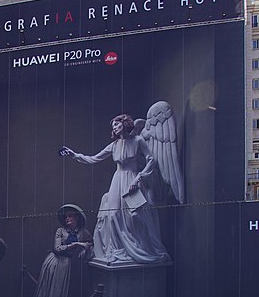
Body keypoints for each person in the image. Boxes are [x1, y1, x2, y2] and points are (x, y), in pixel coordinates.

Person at [60, 112, 176, 264]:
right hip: (118, 180)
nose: (114, 127)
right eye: (113, 126)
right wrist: (74, 155)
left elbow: (151, 160)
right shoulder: (114, 145)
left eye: (117, 124)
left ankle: (138, 247)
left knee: (134, 216)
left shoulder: (138, 140)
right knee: (113, 214)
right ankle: (118, 249)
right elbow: (94, 158)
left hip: (133, 179)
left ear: (125, 123)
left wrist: (139, 177)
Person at [29, 204, 93, 297]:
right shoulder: (60, 231)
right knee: (47, 295)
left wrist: (86, 247)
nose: (67, 218)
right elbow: (57, 249)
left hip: (65, 266)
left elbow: (90, 241)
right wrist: (76, 245)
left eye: (70, 215)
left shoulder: (83, 232)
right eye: (66, 216)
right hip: (53, 262)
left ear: (77, 217)